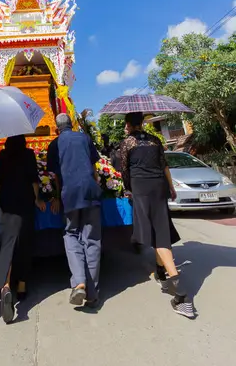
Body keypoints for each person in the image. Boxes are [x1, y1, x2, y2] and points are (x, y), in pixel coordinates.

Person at [119, 112, 195, 319]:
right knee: (159, 227)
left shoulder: (127, 143)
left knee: (158, 235)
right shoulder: (154, 140)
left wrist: (128, 188)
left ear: (128, 124)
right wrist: (171, 187)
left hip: (141, 188)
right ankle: (160, 271)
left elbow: (125, 170)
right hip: (158, 186)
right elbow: (164, 166)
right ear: (142, 123)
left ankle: (180, 292)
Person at [47, 113, 102, 308]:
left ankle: (79, 283)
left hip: (70, 193)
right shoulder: (84, 138)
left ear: (56, 129)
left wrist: (56, 196)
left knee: (71, 235)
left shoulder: (55, 144)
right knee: (92, 239)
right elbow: (94, 167)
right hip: (90, 191)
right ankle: (93, 292)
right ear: (72, 125)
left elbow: (55, 176)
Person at [0, 135, 46, 323]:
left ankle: (5, 286)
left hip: (6, 202)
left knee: (6, 244)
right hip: (25, 202)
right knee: (24, 242)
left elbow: (0, 180)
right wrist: (38, 199)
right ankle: (21, 286)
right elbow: (33, 179)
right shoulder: (29, 154)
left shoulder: (4, 155)